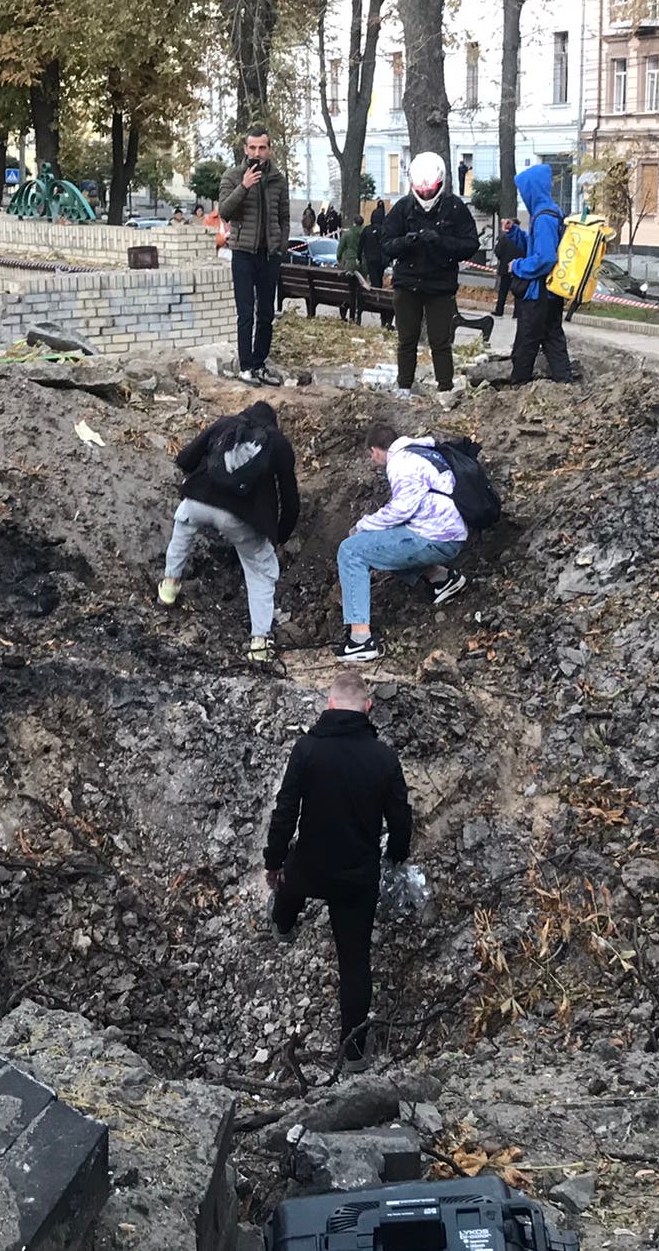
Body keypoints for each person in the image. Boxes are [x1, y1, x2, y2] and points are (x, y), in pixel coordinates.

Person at [263, 668, 413, 1072]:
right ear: (367, 707)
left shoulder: (307, 750)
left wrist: (273, 861)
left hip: (310, 863)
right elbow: (400, 818)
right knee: (355, 961)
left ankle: (281, 926)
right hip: (356, 875)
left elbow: (285, 810)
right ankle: (354, 1055)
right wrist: (397, 855)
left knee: (289, 885)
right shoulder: (383, 757)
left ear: (329, 704)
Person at [157, 400, 300, 663]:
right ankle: (259, 643)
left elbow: (185, 458)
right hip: (240, 517)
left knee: (184, 525)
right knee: (260, 570)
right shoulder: (278, 444)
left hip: (199, 500)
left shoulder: (226, 424)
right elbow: (290, 499)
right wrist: (279, 536)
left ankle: (169, 587)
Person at [334, 422, 467, 662]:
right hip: (450, 533)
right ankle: (442, 578)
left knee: (351, 551)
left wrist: (362, 526)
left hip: (434, 537)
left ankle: (360, 640)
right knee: (383, 544)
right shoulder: (422, 452)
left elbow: (401, 509)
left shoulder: (400, 463)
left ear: (375, 450)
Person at [380, 153, 480, 398]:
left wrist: (442, 242)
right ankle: (404, 386)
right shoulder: (403, 208)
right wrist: (406, 242)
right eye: (421, 190)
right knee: (407, 339)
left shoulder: (455, 207)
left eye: (430, 190)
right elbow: (385, 243)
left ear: (440, 184)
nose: (425, 195)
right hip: (407, 284)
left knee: (440, 341)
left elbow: (470, 244)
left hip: (440, 286)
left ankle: (444, 387)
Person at [218, 126, 290, 386]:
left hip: (269, 255)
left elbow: (283, 216)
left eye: (262, 148)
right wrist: (244, 186)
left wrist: (280, 247)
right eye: (252, 148)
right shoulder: (233, 176)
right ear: (245, 149)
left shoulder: (278, 179)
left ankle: (260, 364)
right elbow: (224, 211)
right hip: (243, 254)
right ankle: (245, 367)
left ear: (269, 149)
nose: (257, 153)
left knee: (266, 314)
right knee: (245, 312)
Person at [506, 163, 571, 386]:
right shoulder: (552, 213)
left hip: (537, 295)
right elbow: (537, 247)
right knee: (553, 339)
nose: (523, 196)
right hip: (551, 293)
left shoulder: (542, 218)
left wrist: (517, 266)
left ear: (532, 190)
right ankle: (565, 384)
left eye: (524, 191)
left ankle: (518, 388)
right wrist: (516, 233)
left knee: (526, 343)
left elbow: (545, 258)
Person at [493, 214, 527, 316]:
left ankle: (499, 310)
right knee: (518, 291)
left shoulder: (504, 238)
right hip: (519, 268)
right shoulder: (522, 238)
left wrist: (503, 259)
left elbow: (498, 251)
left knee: (503, 291)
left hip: (505, 268)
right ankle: (517, 312)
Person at [360, 200, 388, 288]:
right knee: (379, 278)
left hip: (370, 257)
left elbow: (361, 243)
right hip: (381, 258)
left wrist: (359, 256)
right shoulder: (384, 230)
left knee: (373, 278)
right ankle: (378, 292)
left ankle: (375, 292)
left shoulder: (367, 230)